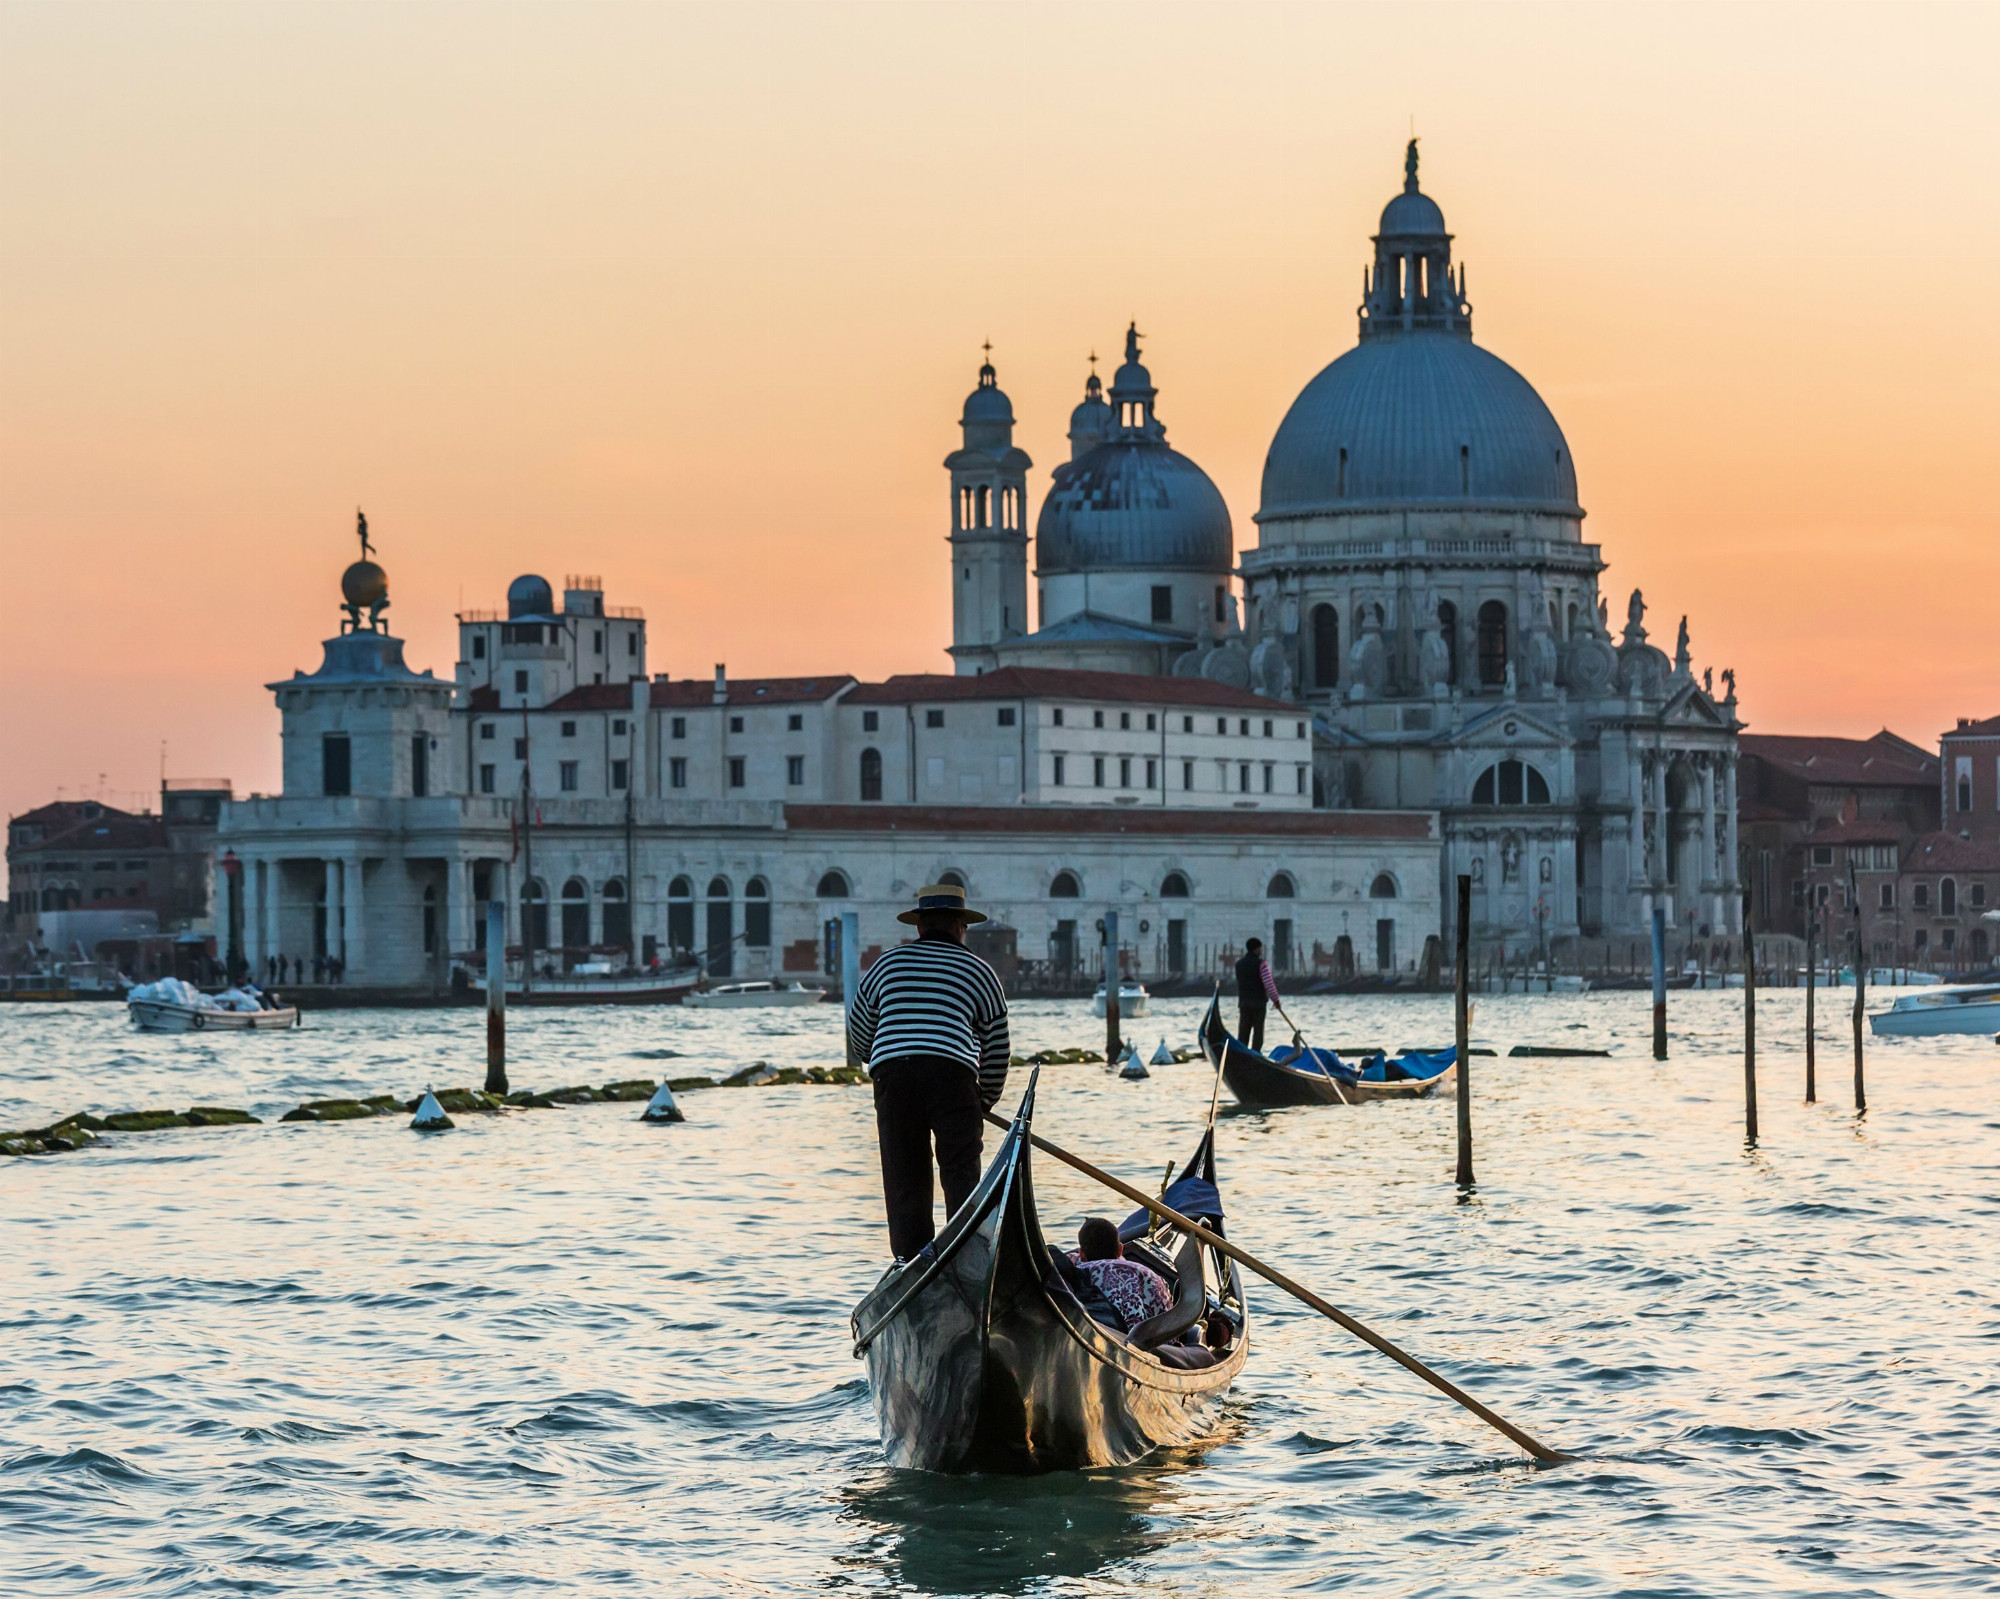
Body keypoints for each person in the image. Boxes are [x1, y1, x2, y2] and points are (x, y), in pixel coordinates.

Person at [848, 883, 1011, 1261]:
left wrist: (881, 1060)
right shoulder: (979, 970)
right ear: (959, 926)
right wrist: (983, 1101)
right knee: (960, 1171)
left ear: (919, 927)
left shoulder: (887, 964)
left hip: (894, 1074)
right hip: (952, 1075)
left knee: (904, 1174)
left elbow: (859, 1027)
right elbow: (997, 1047)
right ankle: (965, 1253)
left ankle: (912, 1258)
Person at [1070, 1216, 1172, 1331]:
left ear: (1082, 1254)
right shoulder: (1150, 1275)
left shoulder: (1076, 1273)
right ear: (1120, 1250)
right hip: (1158, 1345)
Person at [1234, 937, 1279, 1050]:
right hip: (1258, 1003)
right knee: (1258, 1032)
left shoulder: (1239, 964)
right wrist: (1276, 1000)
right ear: (1257, 949)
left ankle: (1242, 1054)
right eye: (1260, 948)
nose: (1261, 950)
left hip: (1244, 1002)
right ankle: (1256, 1054)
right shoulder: (1261, 964)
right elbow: (1269, 984)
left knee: (1243, 1031)